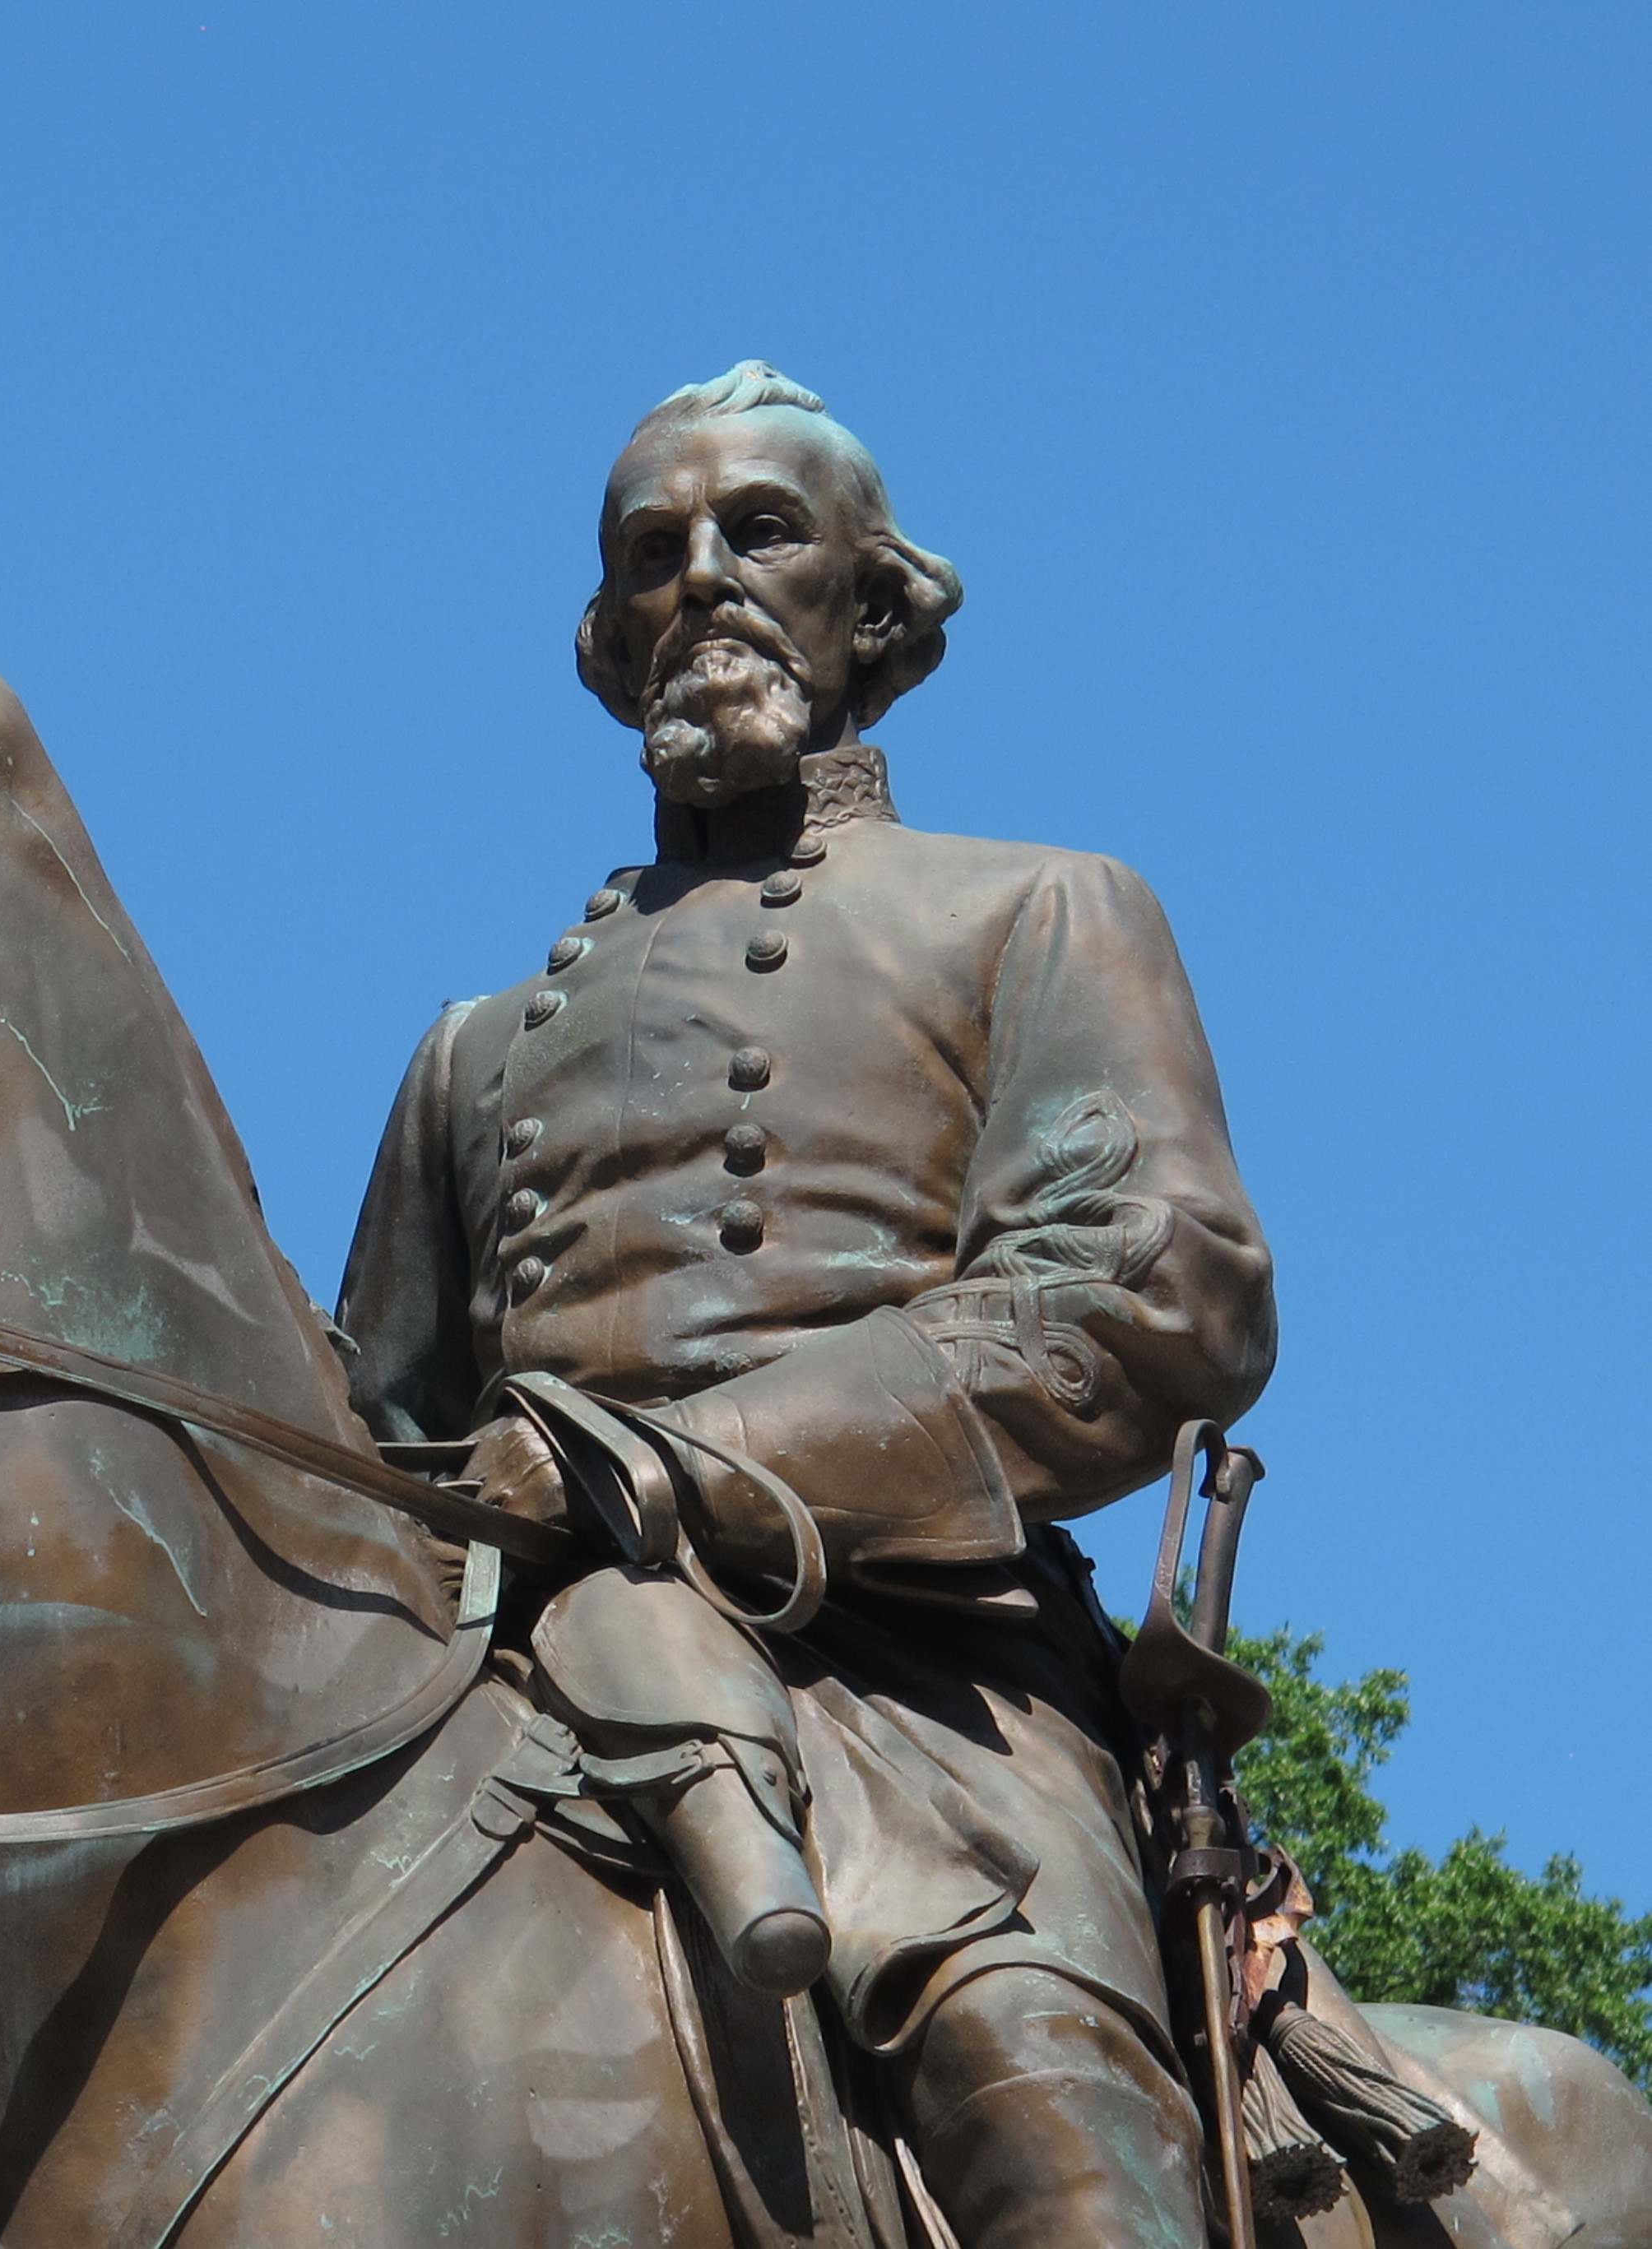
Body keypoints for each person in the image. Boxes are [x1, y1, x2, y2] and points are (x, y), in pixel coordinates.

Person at [336, 361, 1278, 2248]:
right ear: (604, 639)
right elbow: (369, 1440)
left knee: (1055, 2129)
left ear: (867, 604)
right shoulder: (470, 1052)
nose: (699, 574)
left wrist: (658, 1467)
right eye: (650, 549)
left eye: (758, 531)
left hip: (921, 1692)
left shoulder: (1035, 908)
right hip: (521, 1675)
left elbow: (1141, 1291)